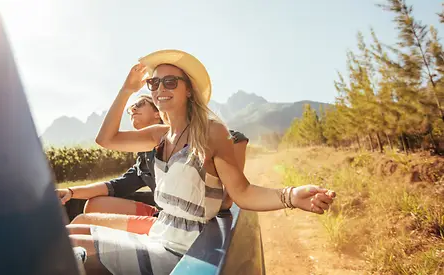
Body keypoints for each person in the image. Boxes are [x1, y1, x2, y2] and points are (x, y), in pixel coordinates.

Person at [69, 49, 337, 275]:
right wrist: (127, 89)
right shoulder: (158, 136)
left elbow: (242, 193)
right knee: (67, 236)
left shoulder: (210, 132)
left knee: (67, 249)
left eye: (171, 82)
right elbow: (105, 139)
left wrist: (292, 195)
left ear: (189, 90)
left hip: (183, 250)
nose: (161, 89)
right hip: (159, 233)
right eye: (154, 83)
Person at [57, 94, 250, 235]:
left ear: (158, 114)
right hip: (162, 215)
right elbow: (115, 186)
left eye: (140, 104)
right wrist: (72, 192)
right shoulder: (143, 158)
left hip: (182, 224)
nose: (133, 109)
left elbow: (236, 137)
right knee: (94, 204)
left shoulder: (180, 137)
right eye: (131, 108)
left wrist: (229, 195)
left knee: (80, 224)